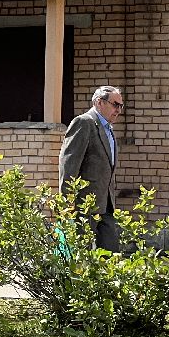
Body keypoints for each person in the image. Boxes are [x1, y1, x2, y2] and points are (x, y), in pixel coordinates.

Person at [59, 85, 124, 252]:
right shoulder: (84, 123)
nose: (118, 110)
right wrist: (67, 203)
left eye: (120, 106)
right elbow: (69, 165)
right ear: (99, 102)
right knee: (81, 255)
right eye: (115, 104)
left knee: (111, 255)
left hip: (106, 205)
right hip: (85, 206)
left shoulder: (109, 129)